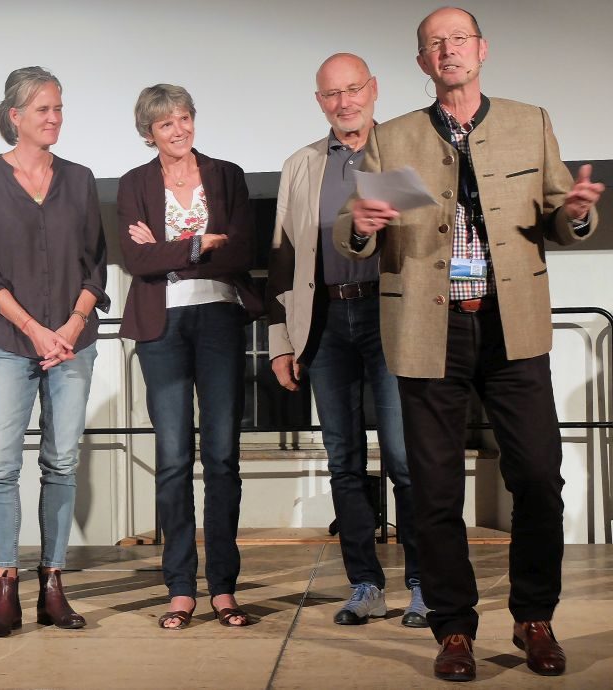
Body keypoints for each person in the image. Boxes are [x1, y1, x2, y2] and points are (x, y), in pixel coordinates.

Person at [334, 7, 604, 681]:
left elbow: (558, 210)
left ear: (480, 50)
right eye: (435, 44)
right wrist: (362, 225)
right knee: (433, 490)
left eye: (459, 39)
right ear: (422, 63)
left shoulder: (527, 121)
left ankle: (533, 617)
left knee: (540, 477)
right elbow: (353, 228)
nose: (449, 51)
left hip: (513, 325)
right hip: (430, 326)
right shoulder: (392, 137)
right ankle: (453, 629)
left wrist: (575, 213)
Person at [268, 54, 425, 628]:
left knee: (406, 458)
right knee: (344, 460)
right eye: (332, 94)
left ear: (374, 90)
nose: (345, 102)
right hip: (327, 324)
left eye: (353, 89)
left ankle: (423, 582)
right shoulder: (301, 165)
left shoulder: (404, 150)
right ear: (320, 101)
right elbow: (282, 259)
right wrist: (281, 341)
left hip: (393, 321)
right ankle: (365, 584)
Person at [0, 66, 109, 638]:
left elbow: (95, 262)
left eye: (59, 108)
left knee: (61, 462)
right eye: (44, 109)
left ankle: (53, 584)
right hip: (9, 342)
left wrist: (70, 326)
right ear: (15, 116)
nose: (55, 118)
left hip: (73, 342)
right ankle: (6, 588)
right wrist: (34, 329)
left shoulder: (80, 177)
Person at [118, 84, 263, 630]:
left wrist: (169, 249)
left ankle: (223, 586)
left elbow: (245, 248)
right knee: (174, 459)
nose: (179, 130)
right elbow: (136, 259)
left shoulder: (226, 174)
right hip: (162, 326)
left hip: (220, 319)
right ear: (148, 132)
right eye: (165, 124)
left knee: (222, 457)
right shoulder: (134, 184)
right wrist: (203, 244)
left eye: (184, 118)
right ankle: (180, 587)